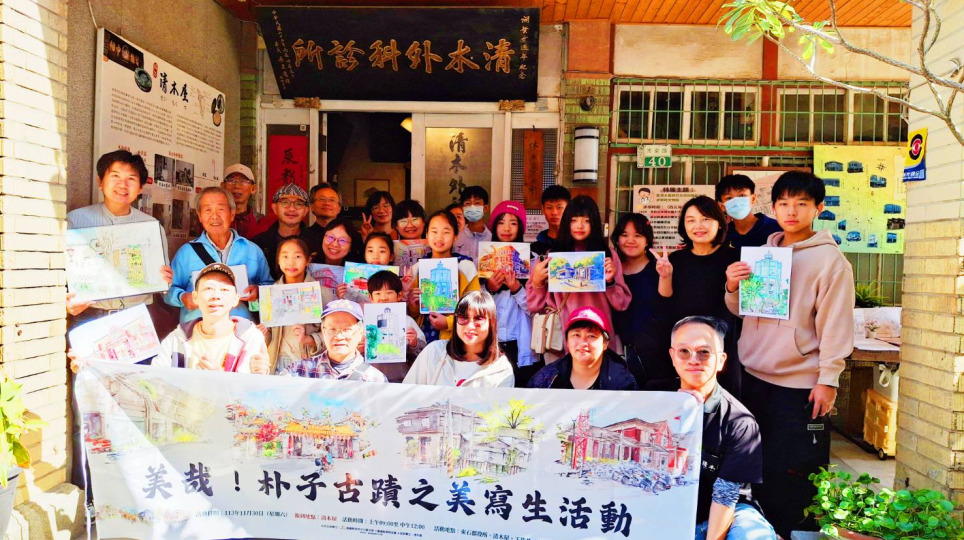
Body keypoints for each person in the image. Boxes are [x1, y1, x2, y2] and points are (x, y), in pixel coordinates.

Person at [724, 171, 854, 538]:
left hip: (799, 384)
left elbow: (836, 325)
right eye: (783, 204)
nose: (791, 211)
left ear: (818, 208)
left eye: (801, 204)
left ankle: (796, 532)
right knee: (758, 465)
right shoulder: (765, 253)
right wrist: (732, 286)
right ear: (774, 208)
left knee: (795, 469)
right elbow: (743, 311)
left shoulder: (831, 262)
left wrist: (828, 379)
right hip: (753, 375)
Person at [655, 316, 775, 540]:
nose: (693, 360)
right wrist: (672, 409)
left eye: (704, 352)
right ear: (672, 356)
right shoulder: (652, 401)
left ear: (720, 360)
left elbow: (725, 496)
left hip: (725, 514)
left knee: (751, 536)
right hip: (669, 511)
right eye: (684, 351)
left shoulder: (739, 422)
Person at [70, 263, 270, 374]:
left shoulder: (250, 338)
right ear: (195, 298)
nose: (216, 296)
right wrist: (91, 366)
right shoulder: (178, 338)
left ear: (236, 299)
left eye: (224, 290)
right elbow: (154, 381)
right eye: (208, 289)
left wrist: (221, 378)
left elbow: (252, 396)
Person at [66, 150, 173, 323]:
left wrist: (165, 280)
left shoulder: (151, 226)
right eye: (115, 176)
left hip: (137, 317)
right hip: (90, 316)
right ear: (100, 181)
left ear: (140, 188)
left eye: (131, 178)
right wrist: (64, 302)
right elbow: (59, 274)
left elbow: (162, 279)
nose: (123, 185)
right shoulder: (76, 220)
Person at [652, 195, 741, 396]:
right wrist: (665, 276)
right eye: (691, 220)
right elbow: (665, 302)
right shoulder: (677, 259)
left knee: (721, 400)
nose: (698, 226)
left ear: (720, 223)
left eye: (706, 219)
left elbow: (744, 306)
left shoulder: (734, 258)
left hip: (721, 345)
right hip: (685, 346)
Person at [527, 195, 630, 352]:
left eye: (586, 221)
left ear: (594, 223)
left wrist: (610, 283)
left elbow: (621, 304)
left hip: (598, 337)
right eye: (573, 220)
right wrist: (537, 282)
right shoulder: (551, 257)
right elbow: (534, 306)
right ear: (566, 223)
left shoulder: (607, 257)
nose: (579, 226)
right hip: (561, 340)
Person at [165, 186, 274, 323]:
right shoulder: (186, 253)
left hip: (241, 329)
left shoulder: (252, 250)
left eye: (221, 209)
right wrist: (182, 297)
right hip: (199, 330)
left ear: (232, 213)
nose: (214, 216)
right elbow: (167, 290)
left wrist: (258, 292)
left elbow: (270, 287)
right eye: (208, 210)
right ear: (199, 215)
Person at [404, 291, 514, 388]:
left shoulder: (501, 370)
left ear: (492, 323)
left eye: (478, 319)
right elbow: (408, 394)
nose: (470, 326)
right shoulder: (434, 352)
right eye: (464, 317)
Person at [482, 200, 536, 386]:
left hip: (520, 343)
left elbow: (535, 309)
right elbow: (475, 305)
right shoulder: (483, 259)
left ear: (520, 227)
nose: (506, 228)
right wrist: (489, 288)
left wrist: (517, 290)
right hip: (490, 342)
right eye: (501, 222)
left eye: (513, 223)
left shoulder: (532, 261)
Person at [407, 210, 481, 344]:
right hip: (423, 338)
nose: (439, 237)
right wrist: (412, 305)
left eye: (446, 232)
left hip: (456, 338)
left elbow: (476, 307)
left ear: (455, 236)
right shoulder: (417, 269)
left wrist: (448, 322)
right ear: (426, 234)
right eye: (434, 231)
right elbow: (411, 315)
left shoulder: (465, 267)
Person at [611, 213, 665, 385]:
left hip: (653, 352)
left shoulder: (659, 268)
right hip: (615, 351)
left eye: (638, 235)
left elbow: (667, 304)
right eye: (624, 235)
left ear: (647, 240)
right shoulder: (610, 270)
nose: (630, 240)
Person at [527, 306, 636, 390]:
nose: (583, 342)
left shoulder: (622, 381)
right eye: (576, 335)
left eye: (591, 336)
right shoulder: (546, 378)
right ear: (567, 342)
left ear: (605, 344)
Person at [281, 299, 388, 382]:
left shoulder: (375, 379)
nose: (339, 336)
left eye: (347, 330)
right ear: (323, 331)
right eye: (332, 329)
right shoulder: (299, 371)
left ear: (360, 333)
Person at [260, 237, 323, 375]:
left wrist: (310, 339)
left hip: (310, 362)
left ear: (308, 260)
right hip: (277, 362)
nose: (291, 262)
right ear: (278, 260)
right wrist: (262, 334)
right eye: (285, 256)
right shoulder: (270, 294)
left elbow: (332, 332)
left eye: (297, 256)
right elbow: (269, 336)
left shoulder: (322, 293)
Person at [252, 184, 323, 279]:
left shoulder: (317, 242)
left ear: (306, 211)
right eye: (285, 202)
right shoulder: (258, 243)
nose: (291, 208)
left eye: (298, 204)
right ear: (275, 208)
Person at [367, 270, 427, 382]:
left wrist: (414, 343)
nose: (384, 298)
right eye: (378, 293)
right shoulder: (365, 322)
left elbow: (423, 355)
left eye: (389, 293)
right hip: (371, 380)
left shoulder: (407, 321)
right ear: (370, 297)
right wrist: (360, 347)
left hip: (401, 380)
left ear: (399, 295)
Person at [716, 174, 782, 249]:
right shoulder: (721, 235)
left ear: (753, 199)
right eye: (729, 198)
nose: (736, 202)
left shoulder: (776, 229)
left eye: (742, 196)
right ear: (722, 206)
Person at [223, 164, 269, 239]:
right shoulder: (216, 219)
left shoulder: (261, 222)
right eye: (231, 181)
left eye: (243, 181)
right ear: (223, 186)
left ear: (253, 189)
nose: (237, 186)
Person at [452, 186, 492, 263]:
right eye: (468, 203)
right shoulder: (455, 238)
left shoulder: (492, 238)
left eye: (477, 203)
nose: (472, 207)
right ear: (462, 208)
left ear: (485, 208)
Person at [531, 185, 570, 257]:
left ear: (568, 209)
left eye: (559, 207)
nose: (554, 212)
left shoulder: (576, 244)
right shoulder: (534, 249)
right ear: (543, 210)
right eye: (549, 207)